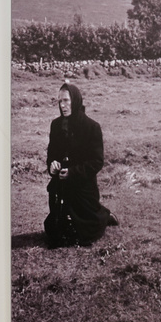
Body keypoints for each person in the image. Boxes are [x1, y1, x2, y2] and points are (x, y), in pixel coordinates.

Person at [44, 82, 116, 247]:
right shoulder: (56, 125)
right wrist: (53, 164)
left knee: (85, 233)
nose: (63, 105)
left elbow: (97, 161)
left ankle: (103, 215)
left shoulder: (91, 127)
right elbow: (51, 154)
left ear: (75, 100)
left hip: (83, 186)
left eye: (66, 101)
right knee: (54, 233)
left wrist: (73, 172)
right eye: (60, 101)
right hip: (61, 187)